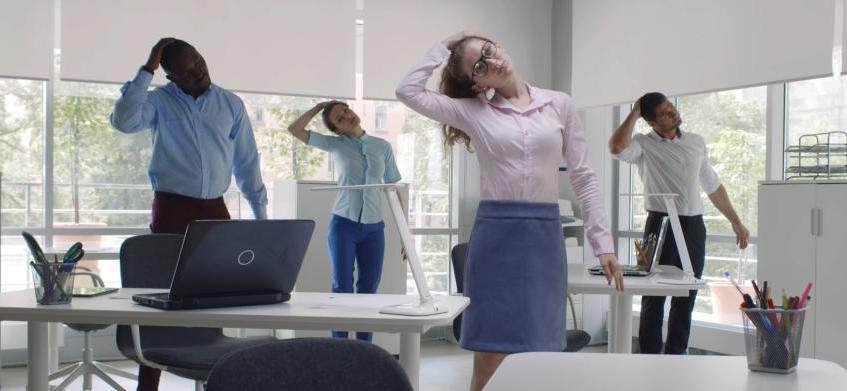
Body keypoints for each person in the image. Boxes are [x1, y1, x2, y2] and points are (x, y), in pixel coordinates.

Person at [396, 30, 624, 391]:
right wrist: (446, 43)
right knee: (489, 359)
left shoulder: (558, 104)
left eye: (488, 51)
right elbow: (406, 91)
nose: (493, 62)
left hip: (544, 239)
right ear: (476, 84)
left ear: (498, 44)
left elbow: (583, 176)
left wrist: (603, 243)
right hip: (495, 240)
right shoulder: (472, 111)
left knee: (542, 354)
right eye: (480, 66)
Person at [110, 37, 268, 391]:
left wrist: (261, 218)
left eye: (198, 61)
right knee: (160, 292)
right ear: (170, 77)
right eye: (185, 71)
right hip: (172, 205)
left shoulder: (230, 103)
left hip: (215, 208)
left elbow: (247, 164)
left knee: (219, 292)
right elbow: (124, 122)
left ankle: (213, 374)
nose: (197, 71)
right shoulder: (157, 102)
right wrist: (146, 69)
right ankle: (148, 383)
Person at [609, 92, 750, 354]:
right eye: (664, 112)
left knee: (687, 293)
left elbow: (712, 185)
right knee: (654, 295)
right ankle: (649, 357)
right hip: (660, 224)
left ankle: (677, 355)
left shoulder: (696, 142)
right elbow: (616, 148)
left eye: (670, 107)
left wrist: (736, 221)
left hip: (693, 225)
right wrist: (634, 113)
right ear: (651, 122)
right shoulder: (641, 144)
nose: (672, 112)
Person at [287, 100, 403, 341]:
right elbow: (295, 130)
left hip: (374, 228)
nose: (348, 116)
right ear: (337, 130)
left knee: (369, 292)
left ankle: (364, 351)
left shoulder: (382, 146)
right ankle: (339, 349)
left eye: (346, 110)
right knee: (342, 289)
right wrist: (319, 108)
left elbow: (393, 188)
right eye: (340, 118)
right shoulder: (334, 144)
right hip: (344, 225)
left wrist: (405, 233)